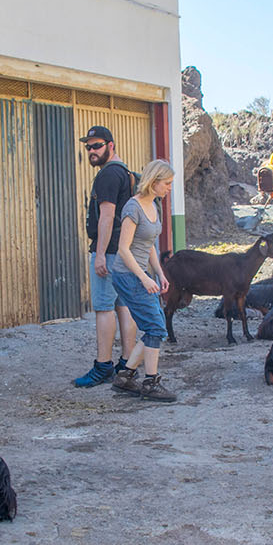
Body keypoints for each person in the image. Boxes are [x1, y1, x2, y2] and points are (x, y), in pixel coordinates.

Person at [73, 126, 139, 388]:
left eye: (97, 145)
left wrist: (100, 254)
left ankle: (103, 367)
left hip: (111, 252)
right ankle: (127, 363)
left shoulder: (108, 175)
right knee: (124, 306)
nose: (91, 151)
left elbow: (107, 217)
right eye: (88, 147)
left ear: (111, 145)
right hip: (126, 252)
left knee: (103, 308)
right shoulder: (126, 173)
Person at [108, 159, 176, 403]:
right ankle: (150, 383)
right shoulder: (132, 208)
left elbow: (148, 246)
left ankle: (125, 376)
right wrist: (144, 277)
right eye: (167, 183)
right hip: (127, 276)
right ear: (153, 181)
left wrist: (159, 272)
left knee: (153, 326)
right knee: (156, 327)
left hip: (141, 274)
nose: (169, 188)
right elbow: (124, 250)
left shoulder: (153, 205)